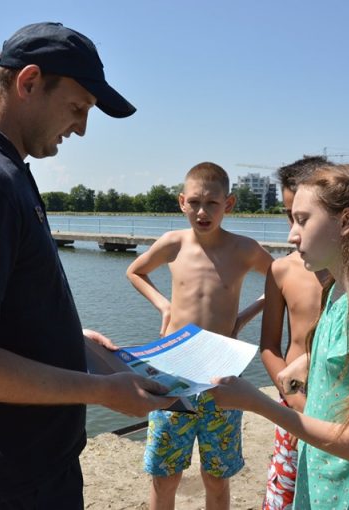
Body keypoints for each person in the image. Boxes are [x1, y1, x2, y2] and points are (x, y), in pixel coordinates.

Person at [0, 22, 176, 510]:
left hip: (29, 462)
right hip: (11, 472)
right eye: (78, 108)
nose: (80, 127)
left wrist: (71, 342)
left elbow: (4, 314)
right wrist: (103, 392)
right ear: (29, 82)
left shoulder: (3, 172)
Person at [211, 164, 349, 509]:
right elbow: (340, 353)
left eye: (303, 220)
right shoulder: (337, 294)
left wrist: (258, 403)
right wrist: (306, 361)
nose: (291, 235)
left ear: (345, 222)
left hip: (348, 496)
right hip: (320, 480)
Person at [126, 162, 273, 510]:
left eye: (212, 204)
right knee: (165, 476)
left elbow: (283, 278)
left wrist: (246, 315)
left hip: (220, 375)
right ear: (181, 202)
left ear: (230, 204)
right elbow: (135, 271)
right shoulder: (172, 243)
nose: (202, 212)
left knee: (217, 476)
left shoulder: (244, 249)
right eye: (194, 202)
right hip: (172, 374)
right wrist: (164, 307)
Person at [258, 156, 333, 510]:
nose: (294, 228)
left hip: (336, 405)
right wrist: (289, 395)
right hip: (292, 401)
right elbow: (269, 346)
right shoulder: (281, 270)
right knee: (284, 493)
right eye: (289, 215)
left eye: (302, 217)